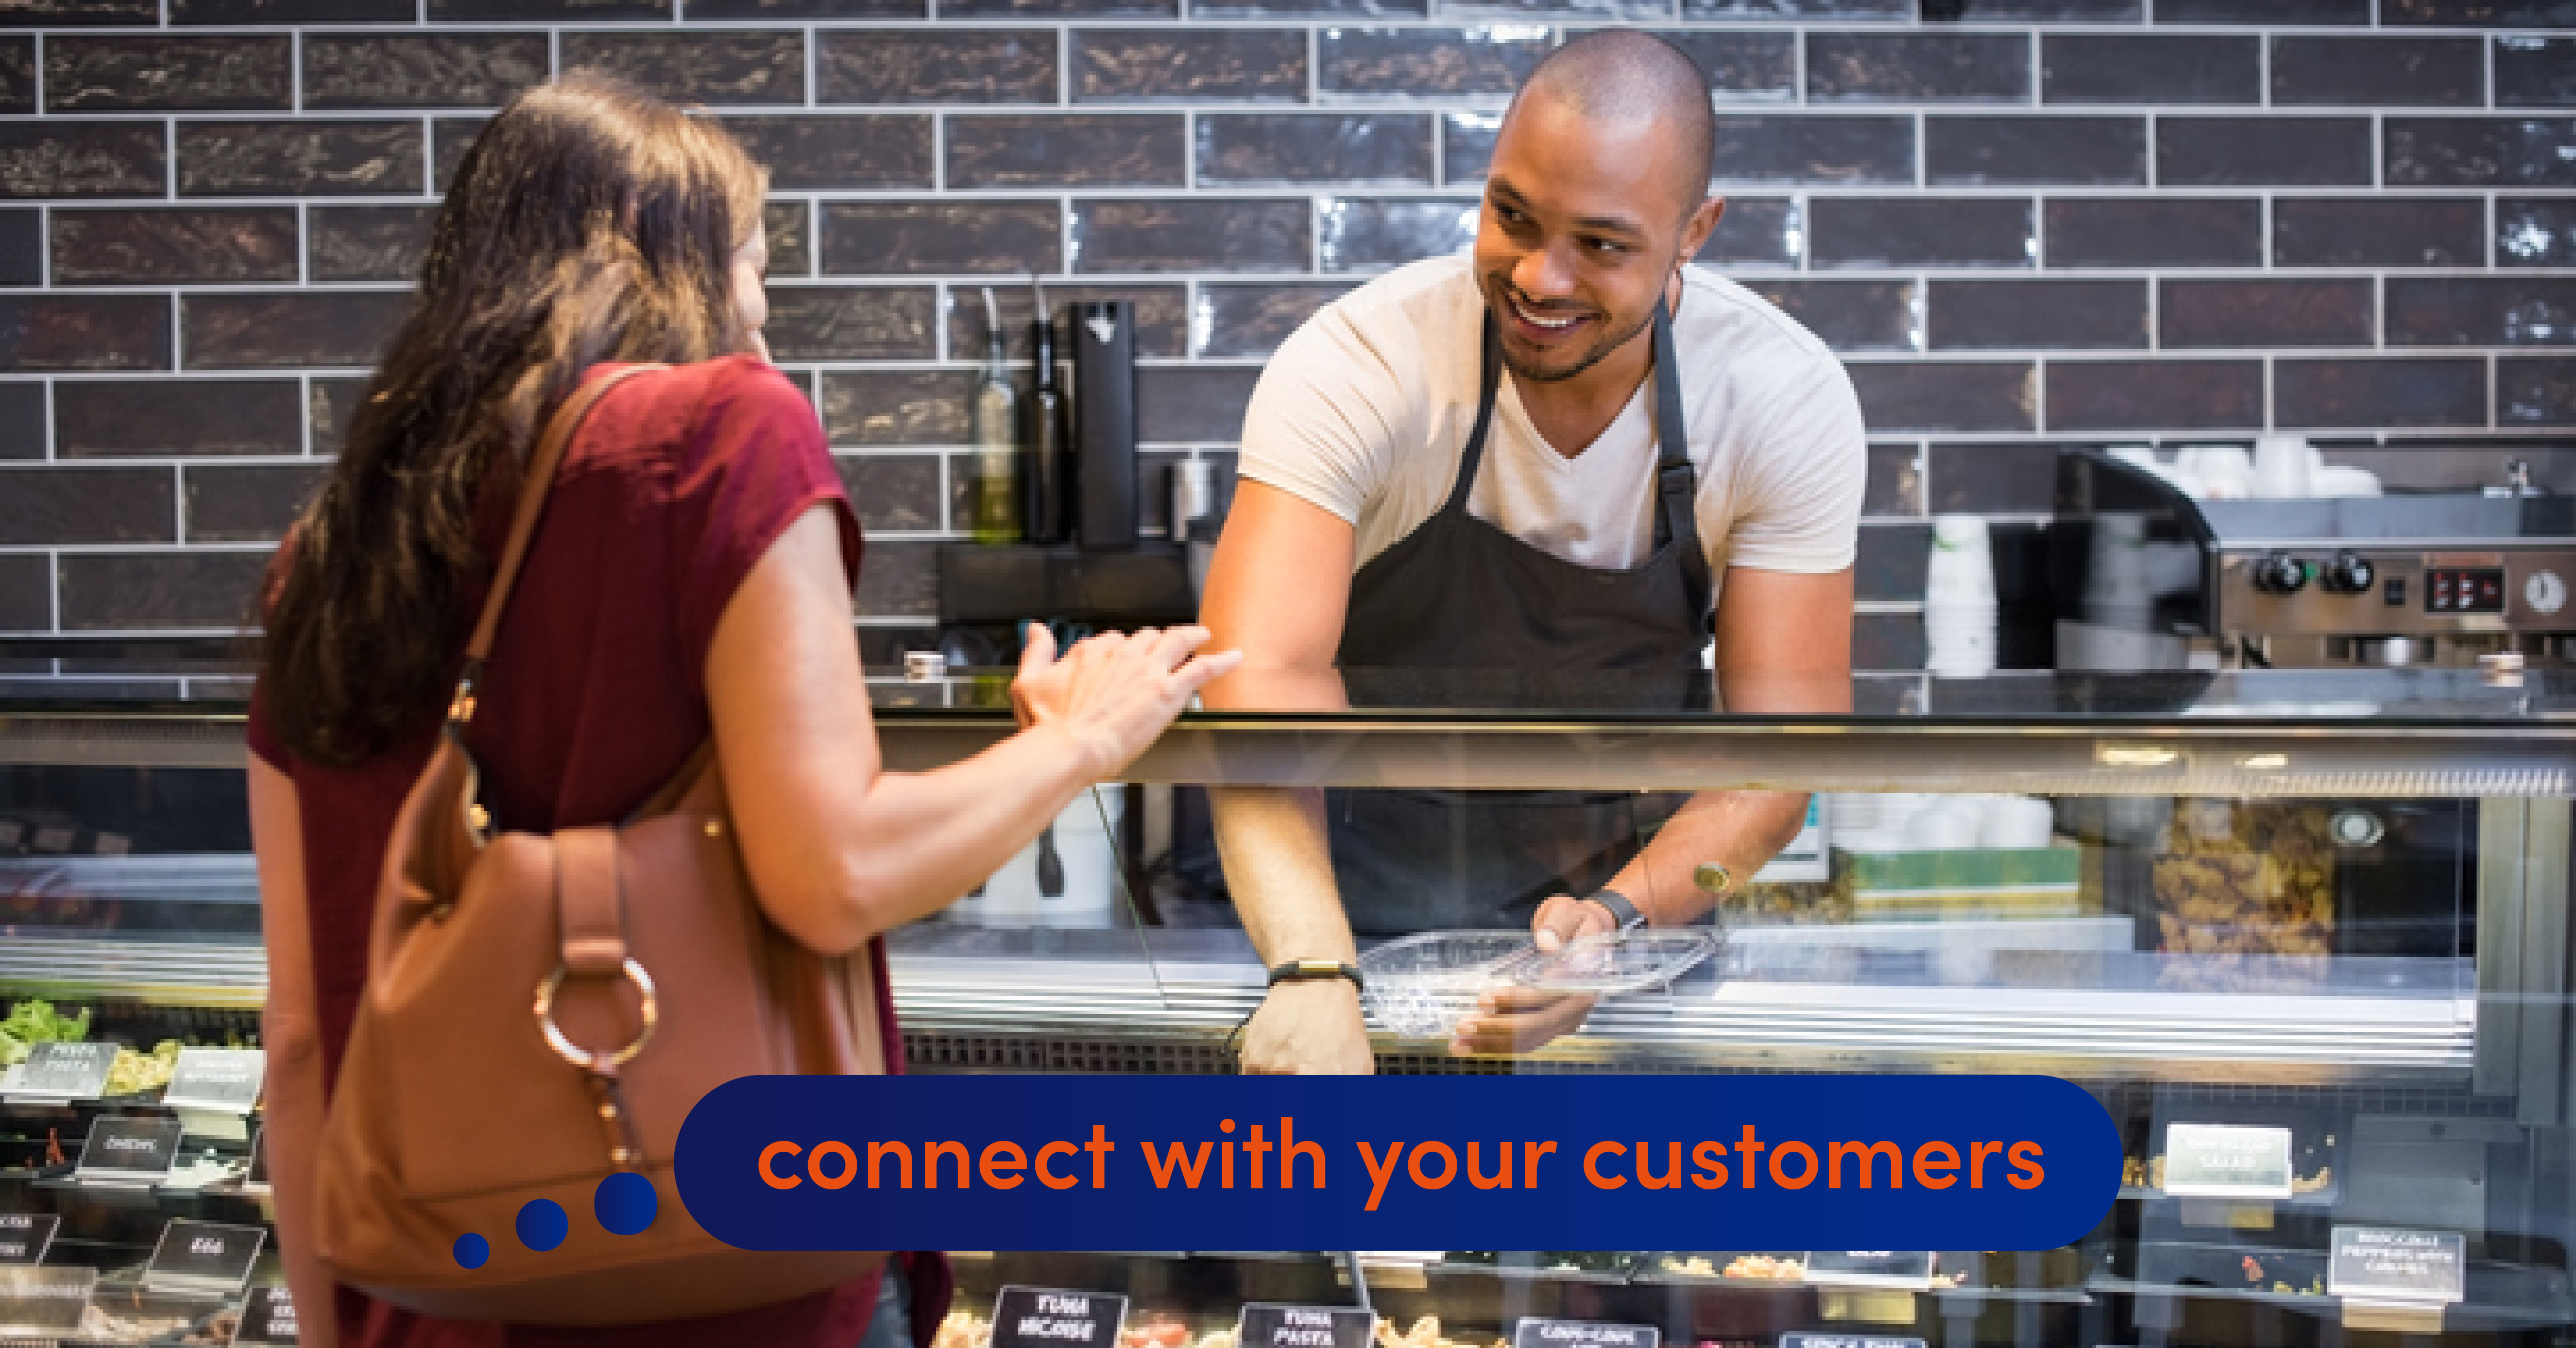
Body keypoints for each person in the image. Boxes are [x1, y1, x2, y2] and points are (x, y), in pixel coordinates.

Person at [246, 75, 1236, 1348]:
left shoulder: (330, 552)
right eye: (757, 268)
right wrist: (1080, 741)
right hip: (729, 1277)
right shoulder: (722, 435)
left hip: (436, 1289)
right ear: (684, 268)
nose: (762, 321)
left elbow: (302, 1031)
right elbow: (837, 868)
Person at [1198, 30, 1865, 1072]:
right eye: (1511, 216)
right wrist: (1313, 969)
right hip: (1340, 935)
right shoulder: (1361, 363)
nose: (1539, 279)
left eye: (1601, 245)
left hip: (1630, 952)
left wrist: (1612, 930)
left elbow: (1779, 766)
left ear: (1695, 229)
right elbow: (1258, 695)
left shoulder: (1778, 398)